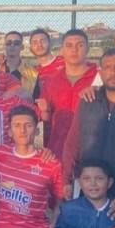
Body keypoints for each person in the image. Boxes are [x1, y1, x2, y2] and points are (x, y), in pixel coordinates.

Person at [62, 48, 115, 217]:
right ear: (100, 72)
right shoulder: (87, 101)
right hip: (90, 196)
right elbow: (72, 143)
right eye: (107, 67)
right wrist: (66, 180)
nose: (113, 72)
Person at [37, 29, 98, 158]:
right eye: (69, 45)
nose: (74, 50)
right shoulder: (52, 80)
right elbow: (44, 120)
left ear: (87, 49)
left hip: (90, 152)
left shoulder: (99, 78)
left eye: (80, 45)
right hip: (57, 151)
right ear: (61, 50)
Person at [29, 28, 65, 98]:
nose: (39, 45)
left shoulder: (64, 61)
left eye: (43, 41)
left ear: (50, 44)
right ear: (31, 49)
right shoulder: (33, 72)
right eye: (35, 42)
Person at [2, 31, 39, 95]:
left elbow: (35, 98)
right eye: (8, 43)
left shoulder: (32, 73)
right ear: (4, 46)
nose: (12, 45)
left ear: (22, 47)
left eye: (16, 43)